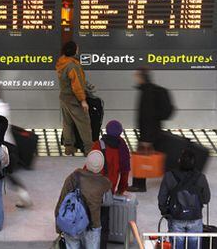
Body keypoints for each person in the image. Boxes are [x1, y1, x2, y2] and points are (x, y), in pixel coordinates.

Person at [55, 150, 111, 249]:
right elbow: (108, 202)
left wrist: (59, 226)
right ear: (101, 166)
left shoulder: (74, 176)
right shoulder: (104, 182)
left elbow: (62, 200)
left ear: (87, 163)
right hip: (92, 225)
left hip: (71, 222)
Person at [158, 149, 210, 249]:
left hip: (176, 217)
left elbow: (162, 198)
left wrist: (166, 213)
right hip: (195, 217)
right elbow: (206, 199)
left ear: (179, 161)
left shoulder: (169, 176)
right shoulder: (201, 177)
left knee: (177, 246)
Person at [91, 120, 131, 249]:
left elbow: (89, 166)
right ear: (120, 133)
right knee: (104, 221)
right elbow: (125, 171)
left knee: (91, 219)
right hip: (108, 190)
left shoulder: (98, 145)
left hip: (93, 189)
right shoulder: (122, 147)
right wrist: (121, 188)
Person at [128, 67, 163, 192]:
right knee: (160, 156)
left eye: (137, 75)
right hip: (153, 131)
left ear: (142, 76)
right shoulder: (148, 90)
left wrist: (146, 138)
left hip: (148, 133)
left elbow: (147, 116)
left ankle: (139, 185)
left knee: (140, 158)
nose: (135, 77)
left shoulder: (147, 92)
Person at [56, 41, 92, 156]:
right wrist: (83, 100)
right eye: (77, 48)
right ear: (73, 50)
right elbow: (76, 85)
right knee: (84, 123)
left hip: (64, 97)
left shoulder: (62, 62)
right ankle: (89, 149)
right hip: (73, 99)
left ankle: (69, 148)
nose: (78, 49)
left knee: (67, 123)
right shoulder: (72, 65)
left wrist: (86, 85)